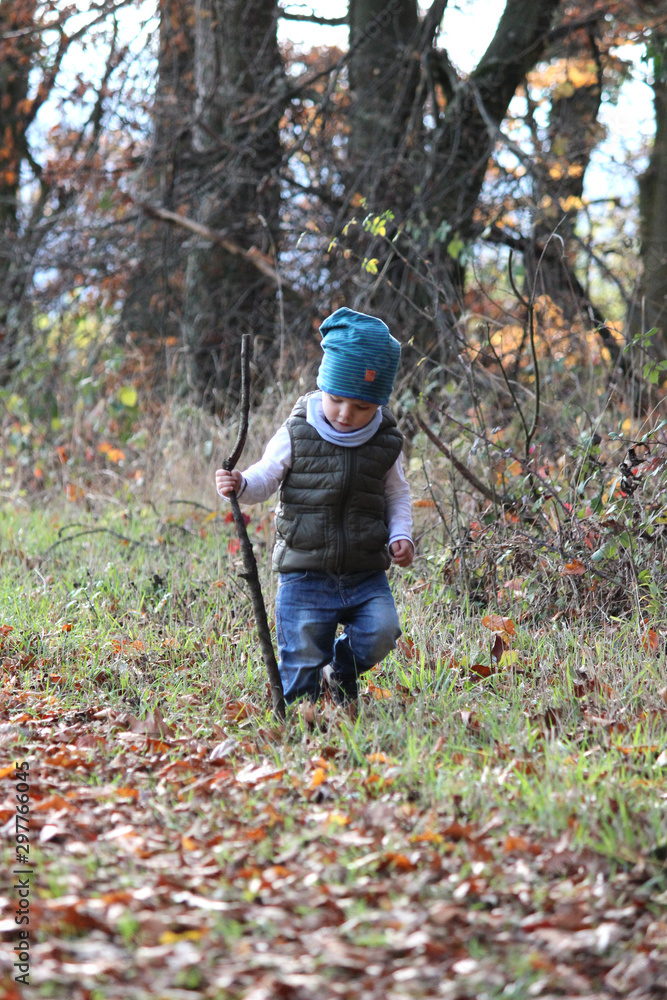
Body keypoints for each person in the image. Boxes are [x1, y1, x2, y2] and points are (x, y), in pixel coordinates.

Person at [215, 307, 413, 707]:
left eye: (361, 407)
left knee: (382, 631)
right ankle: (300, 718)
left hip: (364, 571)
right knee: (302, 655)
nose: (346, 414)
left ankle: (340, 671)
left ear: (378, 403)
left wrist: (401, 535)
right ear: (323, 387)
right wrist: (241, 483)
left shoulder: (385, 441)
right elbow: (267, 475)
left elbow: (397, 494)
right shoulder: (298, 431)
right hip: (304, 569)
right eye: (336, 400)